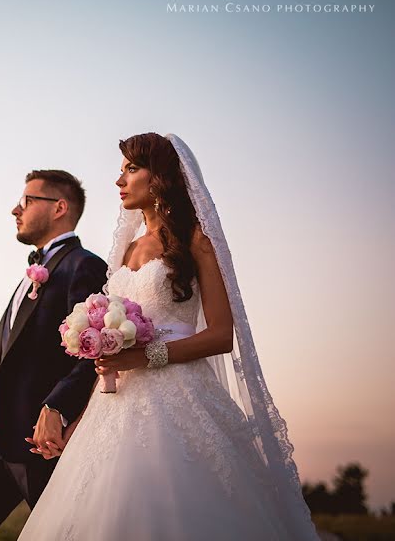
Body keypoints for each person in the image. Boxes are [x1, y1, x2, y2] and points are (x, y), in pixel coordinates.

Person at [18, 133, 320, 540]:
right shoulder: (125, 250)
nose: (119, 180)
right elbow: (111, 358)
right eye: (121, 169)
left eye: (131, 168)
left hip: (180, 395)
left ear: (160, 176)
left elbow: (220, 336)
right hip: (116, 404)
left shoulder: (196, 240)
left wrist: (145, 357)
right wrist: (78, 420)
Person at [0, 170, 108, 540]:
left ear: (59, 207)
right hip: (1, 437)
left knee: (64, 535)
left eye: (28, 200)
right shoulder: (35, 271)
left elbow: (94, 351)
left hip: (45, 441)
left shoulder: (84, 266)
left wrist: (57, 407)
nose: (17, 209)